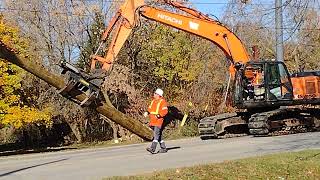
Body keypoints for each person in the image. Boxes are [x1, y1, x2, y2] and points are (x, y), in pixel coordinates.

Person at [144, 88, 168, 154]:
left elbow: (165, 111)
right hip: (153, 121)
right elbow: (150, 109)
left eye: (155, 93)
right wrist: (147, 112)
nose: (154, 94)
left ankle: (152, 148)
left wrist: (158, 116)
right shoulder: (153, 101)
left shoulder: (162, 101)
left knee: (156, 135)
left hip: (158, 121)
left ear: (158, 95)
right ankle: (163, 148)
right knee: (159, 135)